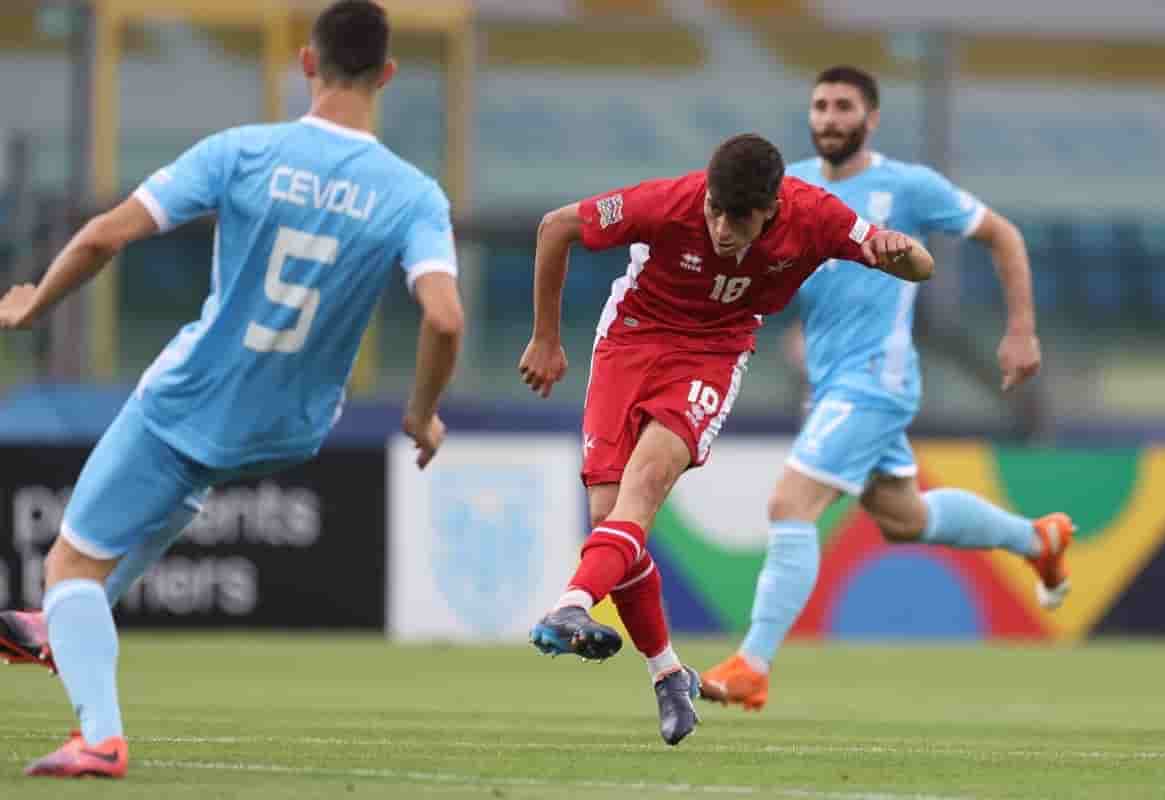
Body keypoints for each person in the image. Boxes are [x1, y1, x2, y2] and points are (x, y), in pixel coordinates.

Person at [0, 0, 464, 778]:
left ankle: (99, 735)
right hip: (291, 428)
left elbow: (107, 234)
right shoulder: (414, 195)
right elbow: (445, 319)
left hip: (193, 398)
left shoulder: (243, 151)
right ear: (386, 75)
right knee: (165, 498)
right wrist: (421, 415)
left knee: (69, 567)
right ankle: (65, 627)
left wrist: (33, 304)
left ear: (307, 63)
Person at [517, 132, 934, 745]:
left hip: (710, 357)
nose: (719, 228)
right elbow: (556, 227)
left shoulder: (816, 216)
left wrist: (901, 251)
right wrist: (546, 338)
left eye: (737, 218)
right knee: (611, 520)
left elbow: (919, 267)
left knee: (642, 491)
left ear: (771, 210)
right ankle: (668, 675)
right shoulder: (670, 202)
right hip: (630, 340)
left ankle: (571, 604)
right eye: (714, 210)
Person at [699, 66, 1074, 713]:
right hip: (830, 383)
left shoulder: (907, 186)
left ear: (871, 118)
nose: (829, 118)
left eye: (843, 106)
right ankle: (1038, 540)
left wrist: (1020, 332)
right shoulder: (787, 188)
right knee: (906, 518)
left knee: (791, 504)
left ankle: (753, 665)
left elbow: (1003, 235)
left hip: (877, 378)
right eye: (820, 106)